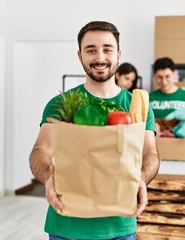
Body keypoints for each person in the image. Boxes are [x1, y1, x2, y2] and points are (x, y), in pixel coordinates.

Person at [29, 21, 160, 240]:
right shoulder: (61, 103)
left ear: (118, 54)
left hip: (119, 225)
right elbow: (40, 150)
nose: (100, 58)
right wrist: (48, 178)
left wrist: (142, 178)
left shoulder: (136, 106)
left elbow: (151, 154)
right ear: (80, 56)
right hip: (67, 223)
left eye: (107, 49)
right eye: (91, 50)